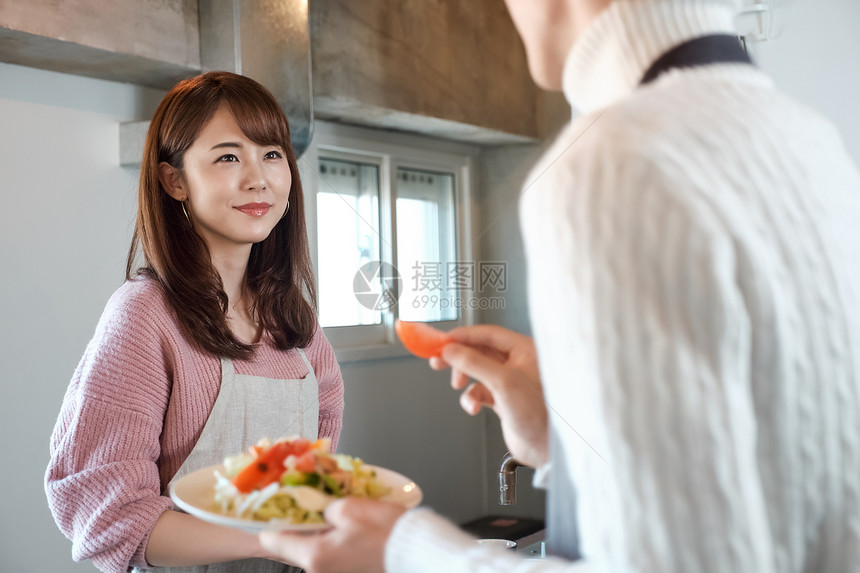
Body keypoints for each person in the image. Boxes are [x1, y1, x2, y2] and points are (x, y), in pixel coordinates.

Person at [259, 0, 860, 571]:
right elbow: (761, 498)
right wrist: (564, 437)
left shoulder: (610, 161)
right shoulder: (809, 138)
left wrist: (406, 554)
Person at [45, 71, 345, 573]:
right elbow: (109, 519)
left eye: (272, 153)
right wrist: (271, 540)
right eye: (228, 156)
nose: (258, 177)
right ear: (175, 180)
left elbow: (313, 487)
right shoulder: (144, 316)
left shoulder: (297, 323)